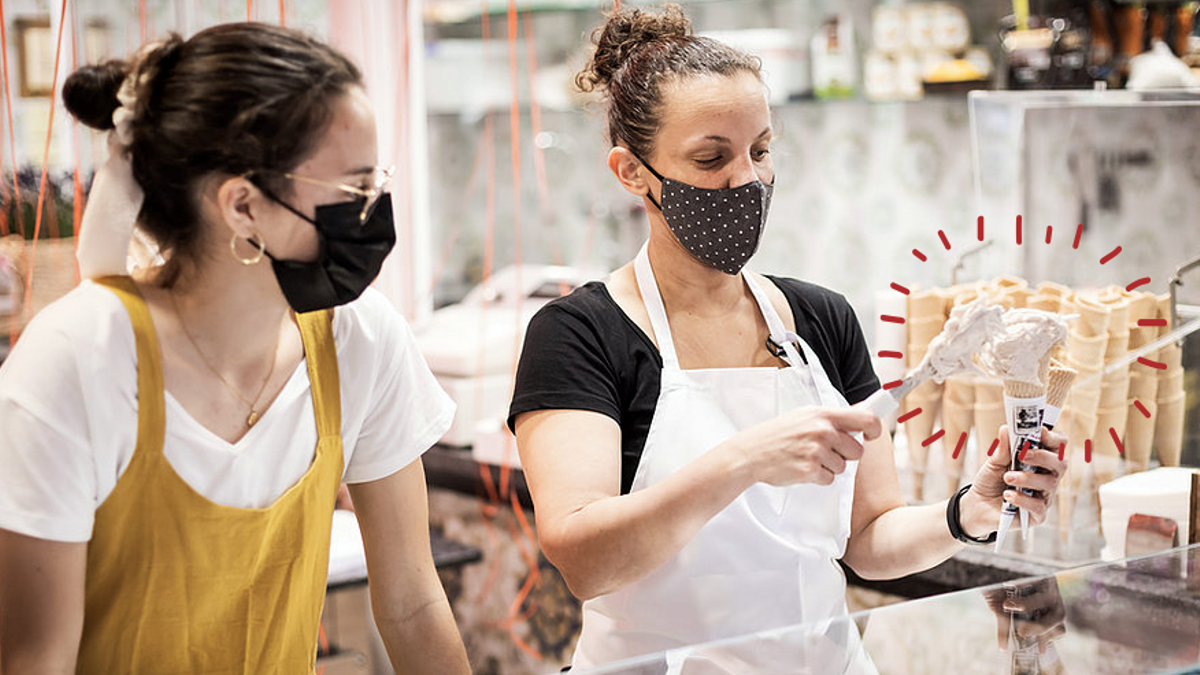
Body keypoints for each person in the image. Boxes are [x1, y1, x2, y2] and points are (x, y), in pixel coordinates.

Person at [507, 5, 1067, 669]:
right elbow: (584, 559)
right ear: (631, 172)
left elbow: (869, 536)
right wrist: (743, 460)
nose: (745, 179)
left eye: (761, 150)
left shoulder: (820, 319)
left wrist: (968, 510)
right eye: (711, 157)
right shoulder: (579, 334)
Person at [0, 23, 470, 674]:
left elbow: (414, 603)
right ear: (244, 206)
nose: (375, 206)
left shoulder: (359, 338)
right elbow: (33, 658)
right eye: (357, 186)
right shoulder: (78, 360)